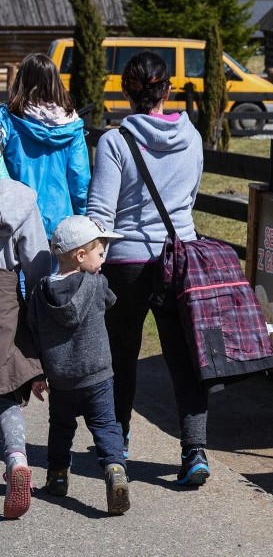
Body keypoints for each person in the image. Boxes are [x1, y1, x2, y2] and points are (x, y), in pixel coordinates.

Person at [87, 51, 210, 486]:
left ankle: (116, 445)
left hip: (126, 262)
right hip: (178, 258)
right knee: (184, 355)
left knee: (120, 356)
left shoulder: (115, 142)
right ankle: (194, 451)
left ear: (126, 92)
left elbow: (101, 214)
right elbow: (189, 201)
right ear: (168, 90)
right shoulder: (192, 139)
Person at [27, 215, 130, 515]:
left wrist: (37, 373)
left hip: (60, 381)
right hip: (98, 375)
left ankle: (57, 477)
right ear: (81, 255)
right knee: (106, 426)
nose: (103, 261)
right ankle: (115, 470)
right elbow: (110, 301)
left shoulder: (39, 294)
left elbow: (33, 330)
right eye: (100, 253)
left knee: (60, 427)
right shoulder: (97, 284)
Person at [0, 180, 51, 519]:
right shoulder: (16, 197)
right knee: (4, 391)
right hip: (3, 299)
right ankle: (17, 458)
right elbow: (37, 263)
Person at [0, 53, 90, 238]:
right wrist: (80, 214)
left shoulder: (7, 119)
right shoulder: (72, 125)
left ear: (21, 81)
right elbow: (79, 178)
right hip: (60, 222)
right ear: (56, 82)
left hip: (15, 220)